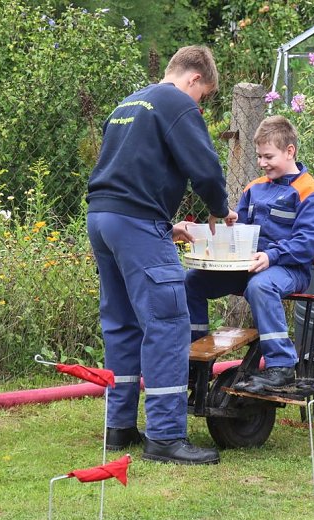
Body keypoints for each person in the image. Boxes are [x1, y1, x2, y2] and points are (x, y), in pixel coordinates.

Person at [85, 46, 237, 465]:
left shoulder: (129, 102)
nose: (199, 103)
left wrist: (161, 224)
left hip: (103, 218)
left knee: (121, 323)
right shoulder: (174, 100)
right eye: (203, 95)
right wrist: (220, 207)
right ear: (193, 79)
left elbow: (126, 171)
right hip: (132, 223)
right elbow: (205, 167)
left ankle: (118, 427)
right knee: (168, 323)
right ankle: (166, 437)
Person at [184, 115, 314, 390]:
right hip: (247, 266)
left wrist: (271, 256)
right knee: (192, 281)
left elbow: (307, 244)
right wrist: (230, 226)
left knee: (260, 286)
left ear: (290, 151)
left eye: (268, 156)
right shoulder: (254, 187)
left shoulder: (310, 192)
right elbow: (243, 231)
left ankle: (281, 366)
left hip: (288, 269)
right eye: (259, 156)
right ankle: (196, 362)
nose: (262, 163)